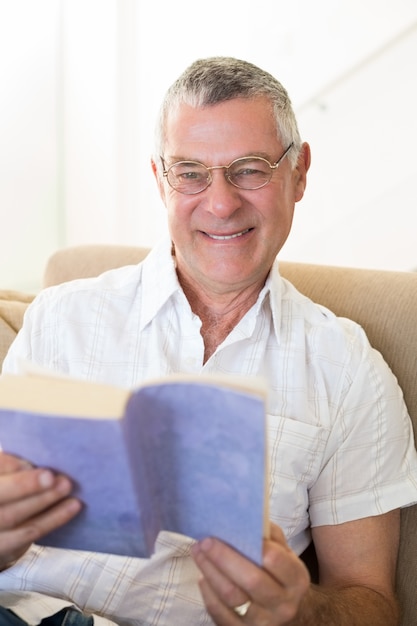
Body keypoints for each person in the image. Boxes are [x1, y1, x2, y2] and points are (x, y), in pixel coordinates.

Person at [0, 56, 416, 626]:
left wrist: (304, 612)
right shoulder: (62, 316)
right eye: (191, 172)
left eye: (249, 169)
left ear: (299, 173)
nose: (220, 203)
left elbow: (371, 601)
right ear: (159, 179)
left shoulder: (348, 373)